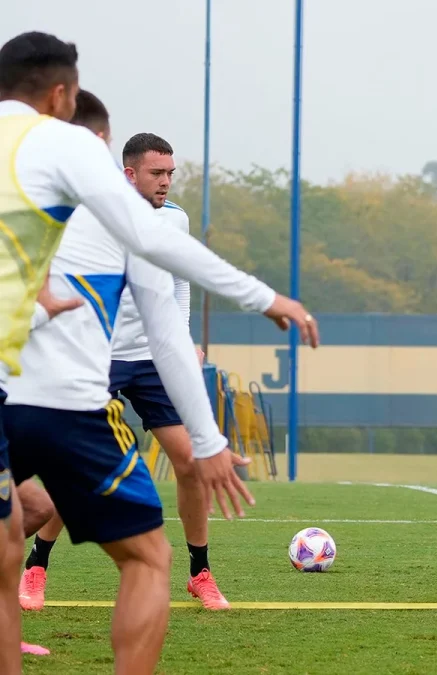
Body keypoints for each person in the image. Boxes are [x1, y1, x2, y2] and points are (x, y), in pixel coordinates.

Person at [0, 32, 317, 674]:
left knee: (8, 540)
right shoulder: (67, 147)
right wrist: (264, 299)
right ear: (61, 96)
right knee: (146, 557)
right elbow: (165, 306)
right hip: (64, 402)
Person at [19, 128, 231, 613]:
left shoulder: (175, 222)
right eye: (157, 173)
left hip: (152, 361)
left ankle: (199, 572)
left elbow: (179, 286)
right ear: (128, 173)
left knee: (192, 462)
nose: (166, 183)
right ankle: (37, 564)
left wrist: (181, 342)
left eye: (171, 174)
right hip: (97, 360)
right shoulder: (88, 221)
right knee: (79, 465)